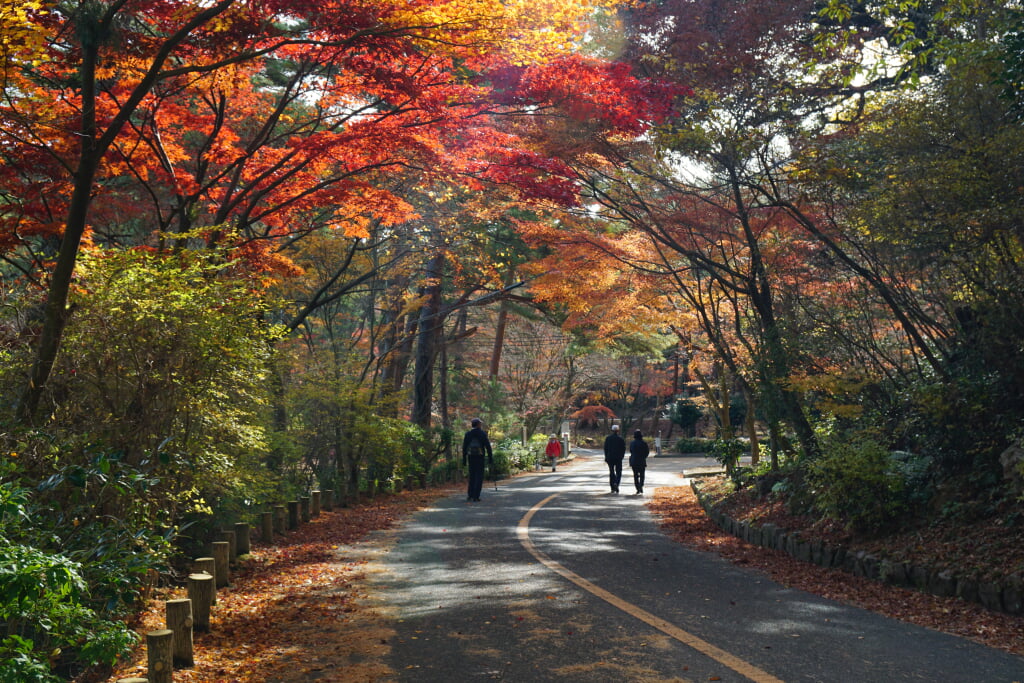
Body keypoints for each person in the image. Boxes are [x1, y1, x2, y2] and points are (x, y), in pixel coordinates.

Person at [462, 418, 493, 502]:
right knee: (479, 476)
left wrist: (464, 459)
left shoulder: (468, 434)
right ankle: (476, 496)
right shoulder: (482, 434)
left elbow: (464, 447)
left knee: (472, 475)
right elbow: (488, 447)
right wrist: (490, 458)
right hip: (480, 457)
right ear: (478, 425)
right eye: (480, 424)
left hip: (471, 457)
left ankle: (470, 495)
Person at [603, 425, 626, 494]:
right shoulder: (620, 439)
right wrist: (622, 456)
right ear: (618, 431)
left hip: (610, 457)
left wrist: (606, 456)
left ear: (612, 430)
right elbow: (623, 449)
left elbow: (605, 448)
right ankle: (616, 483)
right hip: (618, 458)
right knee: (619, 472)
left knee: (611, 472)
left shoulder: (608, 438)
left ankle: (612, 487)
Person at [629, 429, 650, 496]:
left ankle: (637, 487)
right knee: (642, 475)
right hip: (641, 460)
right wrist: (644, 457)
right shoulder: (644, 443)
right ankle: (641, 485)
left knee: (635, 475)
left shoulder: (632, 443)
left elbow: (631, 451)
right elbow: (647, 452)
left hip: (634, 460)